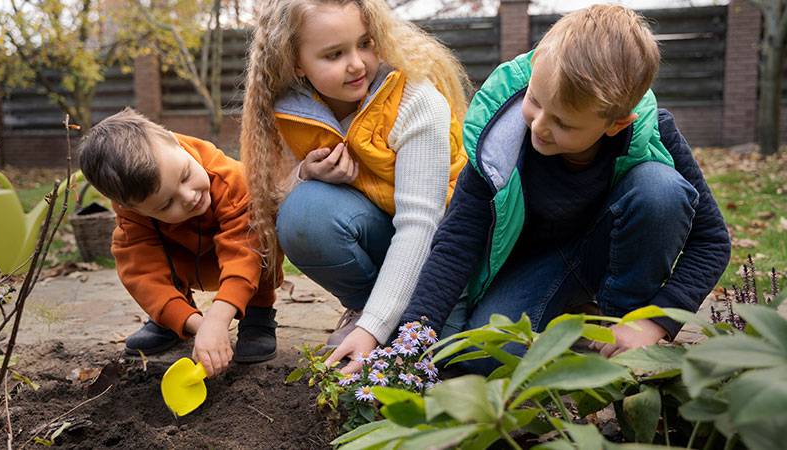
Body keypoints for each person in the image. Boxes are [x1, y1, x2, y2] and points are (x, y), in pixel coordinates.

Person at [400, 4, 732, 375]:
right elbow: (458, 241)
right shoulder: (499, 142)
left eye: (563, 123)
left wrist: (654, 323)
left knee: (661, 190)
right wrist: (415, 336)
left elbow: (712, 242)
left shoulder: (656, 135)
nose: (539, 126)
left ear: (616, 123)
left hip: (612, 258)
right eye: (535, 102)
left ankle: (617, 333)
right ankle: (572, 327)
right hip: (533, 270)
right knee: (481, 359)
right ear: (534, 69)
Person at [238, 0, 471, 372]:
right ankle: (371, 305)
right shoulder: (291, 109)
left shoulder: (417, 102)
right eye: (334, 54)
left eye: (366, 43)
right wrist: (304, 175)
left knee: (461, 360)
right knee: (306, 214)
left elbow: (421, 225)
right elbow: (272, 197)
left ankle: (387, 318)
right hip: (379, 233)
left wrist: (372, 331)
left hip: (443, 251)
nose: (357, 64)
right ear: (297, 62)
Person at [78, 108, 282, 378]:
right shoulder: (134, 218)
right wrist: (201, 326)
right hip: (186, 258)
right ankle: (175, 318)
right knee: (141, 261)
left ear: (175, 142)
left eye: (185, 175)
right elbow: (144, 274)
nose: (188, 196)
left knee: (262, 235)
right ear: (134, 208)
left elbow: (243, 252)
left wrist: (219, 319)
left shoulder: (232, 180)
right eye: (166, 204)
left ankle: (258, 314)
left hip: (238, 260)